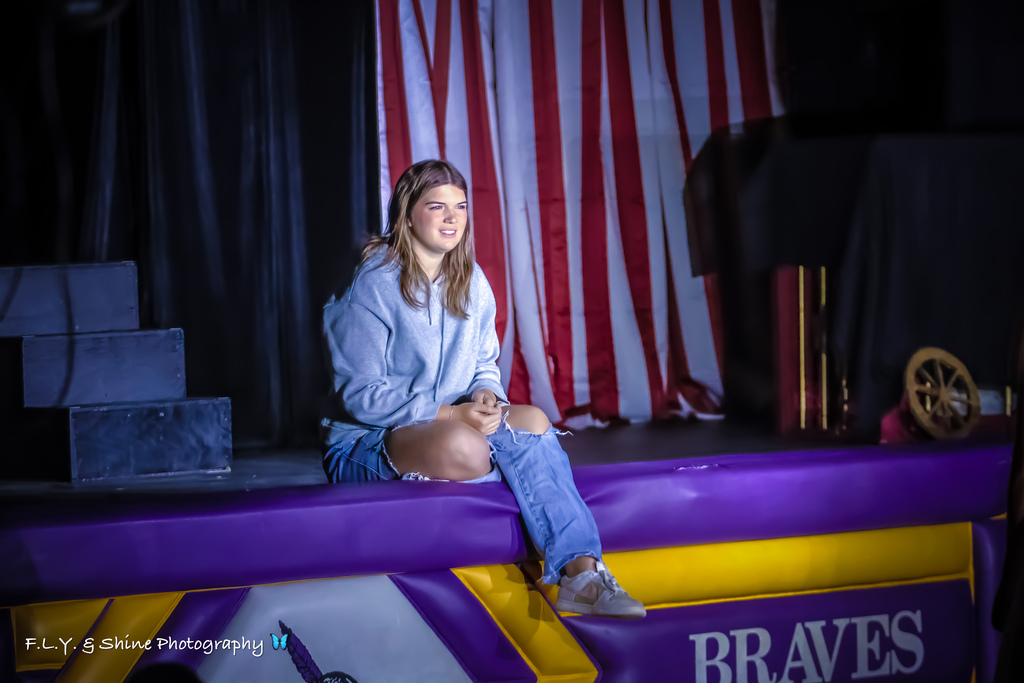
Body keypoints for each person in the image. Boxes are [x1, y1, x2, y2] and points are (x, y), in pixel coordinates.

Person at [320, 159, 645, 619]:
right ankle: (537, 528)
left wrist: (486, 396)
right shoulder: (370, 285)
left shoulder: (471, 281)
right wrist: (452, 415)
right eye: (437, 206)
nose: (453, 218)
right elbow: (361, 397)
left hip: (456, 423)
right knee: (466, 446)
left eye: (461, 206)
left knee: (532, 421)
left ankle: (582, 574)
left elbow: (483, 364)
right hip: (365, 442)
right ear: (407, 214)